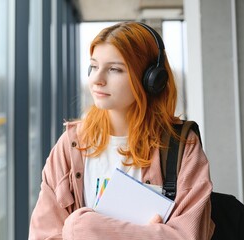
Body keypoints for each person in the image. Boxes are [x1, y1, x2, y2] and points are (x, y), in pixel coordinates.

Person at [29, 22, 214, 240]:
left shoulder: (182, 146)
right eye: (94, 67)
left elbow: (188, 235)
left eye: (114, 69)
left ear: (151, 79)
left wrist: (85, 229)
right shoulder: (71, 146)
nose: (97, 80)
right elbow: (43, 235)